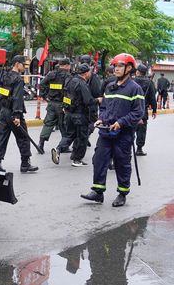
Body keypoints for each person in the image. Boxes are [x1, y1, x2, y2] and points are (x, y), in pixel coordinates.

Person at [81, 53, 145, 207]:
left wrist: (121, 122)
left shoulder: (135, 89)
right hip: (105, 132)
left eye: (120, 66)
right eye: (115, 66)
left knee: (122, 163)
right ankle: (98, 191)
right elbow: (104, 107)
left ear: (129, 68)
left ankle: (122, 193)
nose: (116, 69)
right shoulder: (110, 87)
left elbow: (138, 112)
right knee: (99, 160)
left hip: (123, 134)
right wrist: (101, 118)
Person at [0, 55, 39, 173]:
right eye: (24, 65)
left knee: (1, 139)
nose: (25, 67)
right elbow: (17, 98)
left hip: (4, 112)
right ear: (17, 64)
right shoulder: (18, 79)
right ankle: (25, 164)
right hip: (13, 114)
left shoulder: (4, 76)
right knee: (23, 138)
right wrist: (17, 115)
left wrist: (3, 107)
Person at [52, 63, 95, 166]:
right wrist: (98, 100)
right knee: (82, 138)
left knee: (69, 135)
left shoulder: (70, 80)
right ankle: (77, 160)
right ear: (85, 73)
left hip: (69, 113)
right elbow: (88, 101)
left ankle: (58, 150)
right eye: (89, 71)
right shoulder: (82, 84)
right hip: (80, 115)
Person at [38, 58, 71, 153]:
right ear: (66, 65)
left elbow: (42, 84)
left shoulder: (51, 74)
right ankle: (64, 146)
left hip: (51, 103)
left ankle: (41, 143)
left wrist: (45, 96)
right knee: (64, 125)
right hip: (62, 104)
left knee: (48, 124)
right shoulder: (68, 76)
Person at [133, 64, 157, 156]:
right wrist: (154, 110)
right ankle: (139, 149)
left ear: (138, 72)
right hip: (143, 109)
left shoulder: (132, 81)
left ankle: (126, 146)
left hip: (131, 109)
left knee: (130, 128)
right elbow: (152, 97)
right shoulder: (149, 83)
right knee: (141, 130)